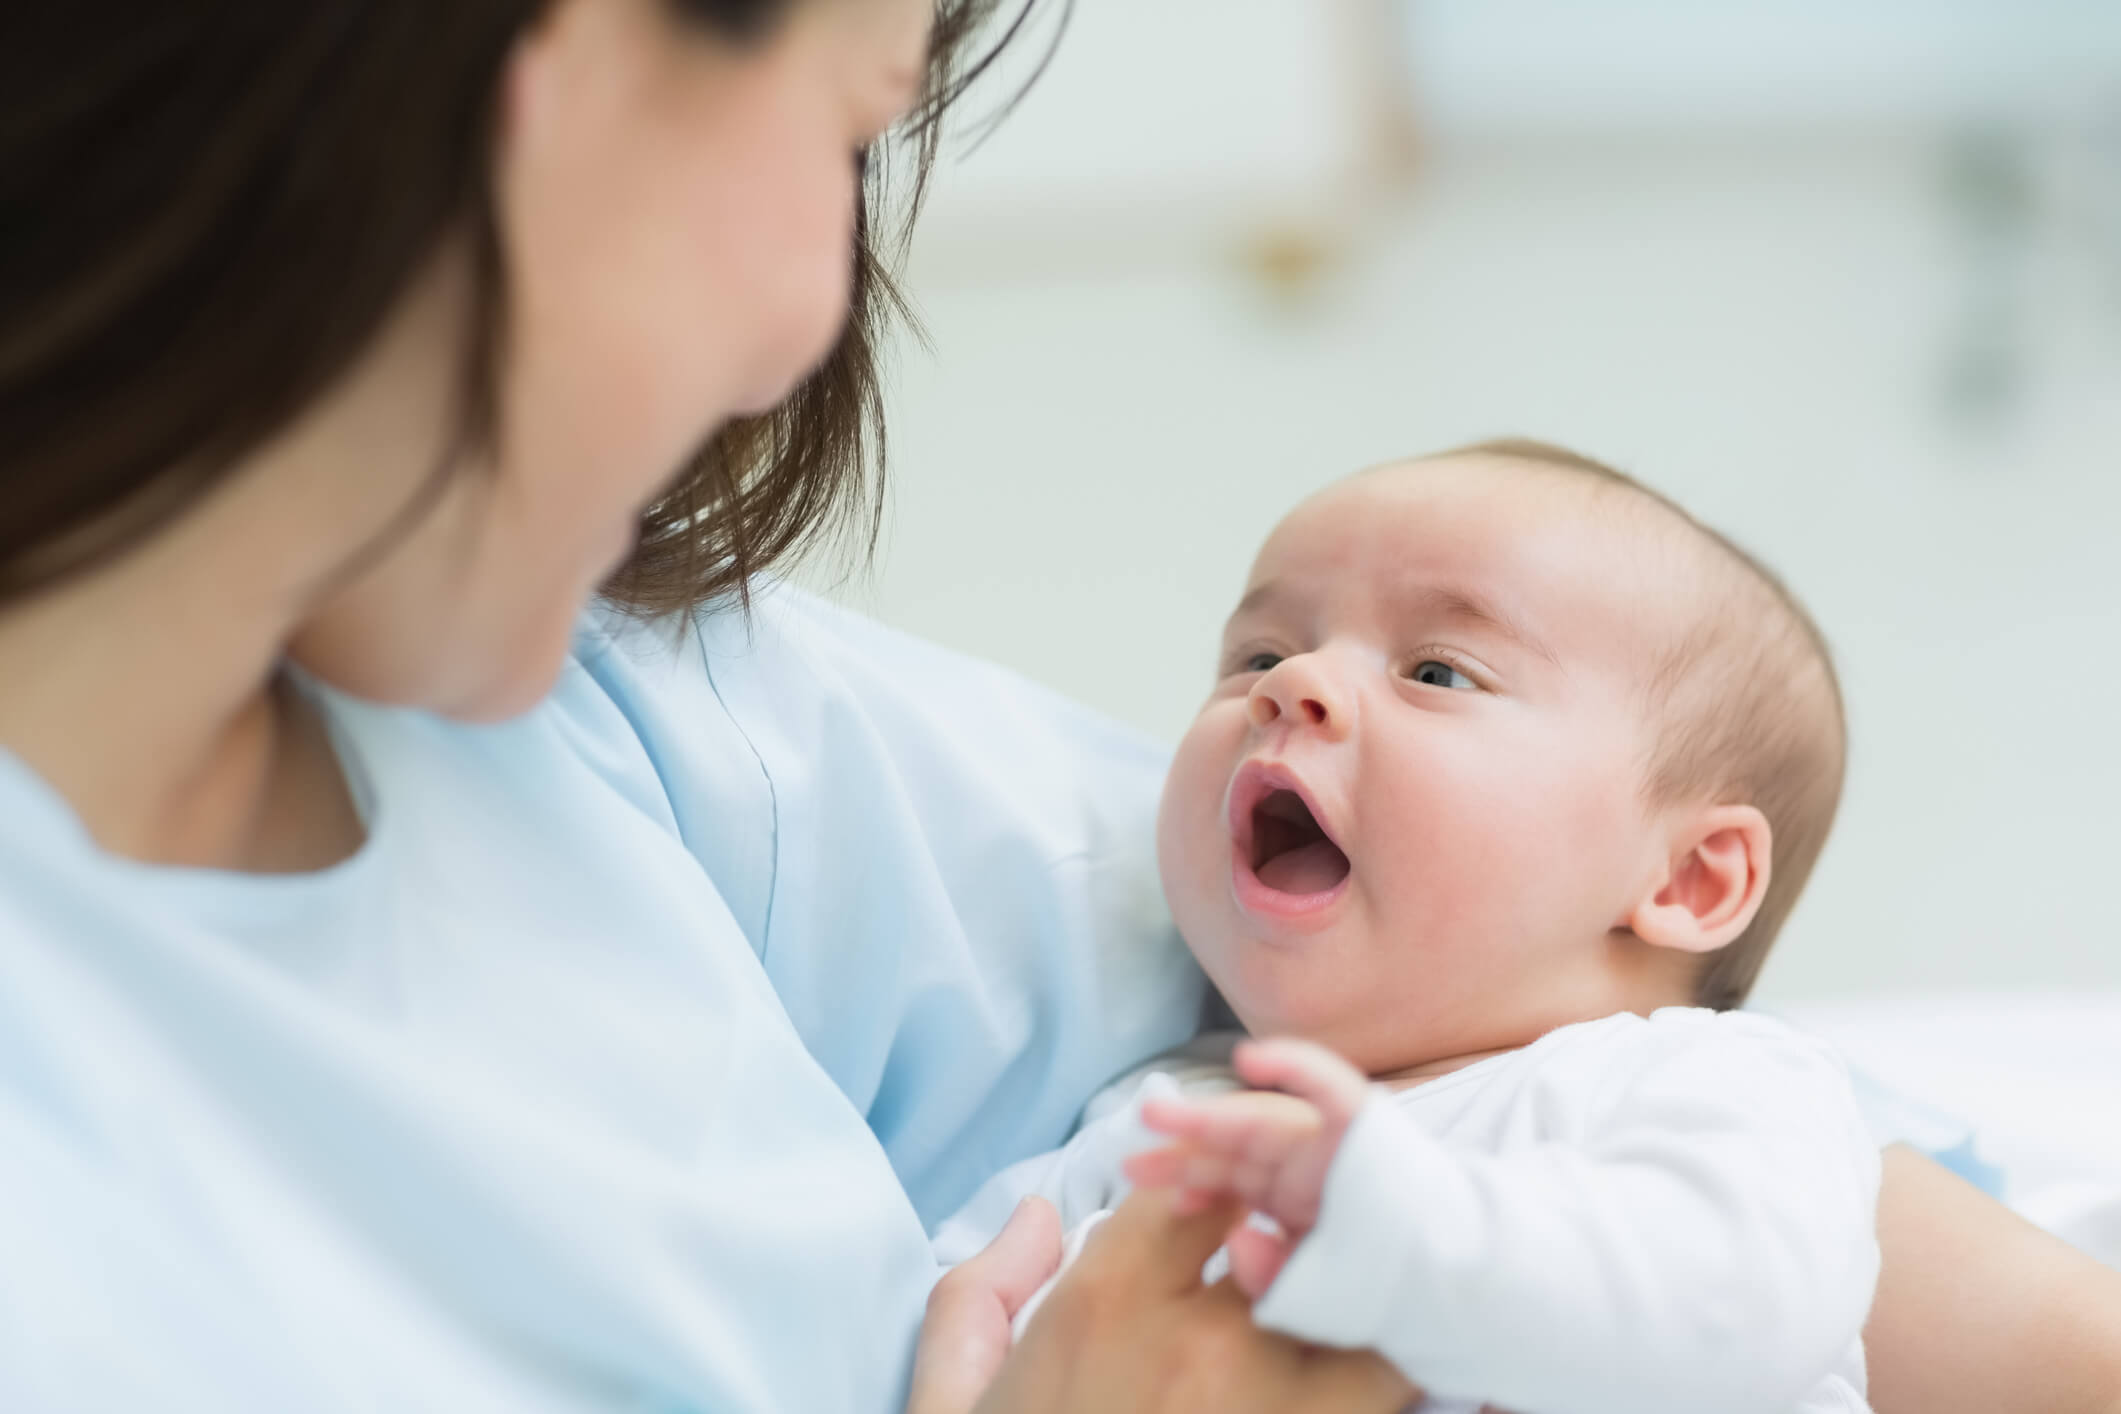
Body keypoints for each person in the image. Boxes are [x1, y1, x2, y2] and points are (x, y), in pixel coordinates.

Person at [0, 4, 2114, 1413]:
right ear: (560, 84)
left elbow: (1730, 1163)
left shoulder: (601, 709)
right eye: (843, 137)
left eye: (1438, 666)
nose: (809, 318)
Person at [938, 443, 1878, 1411]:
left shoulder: (1703, 1082)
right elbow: (943, 1318)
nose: (1290, 681)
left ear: (1686, 878)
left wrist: (1406, 1244)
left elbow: (1739, 1307)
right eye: (1258, 655)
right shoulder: (1155, 1119)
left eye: (1438, 670)